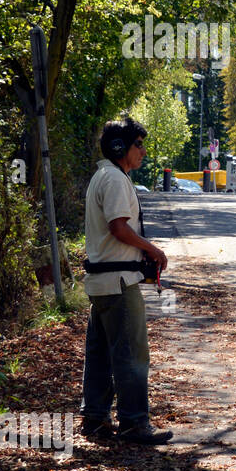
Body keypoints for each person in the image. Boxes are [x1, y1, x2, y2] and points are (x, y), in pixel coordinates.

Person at [79, 116, 173, 445]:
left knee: (101, 352)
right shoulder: (116, 180)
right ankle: (134, 422)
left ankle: (95, 417)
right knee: (133, 353)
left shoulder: (102, 176)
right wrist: (153, 249)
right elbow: (119, 227)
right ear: (121, 147)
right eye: (139, 144)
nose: (143, 152)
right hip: (119, 282)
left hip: (101, 282)